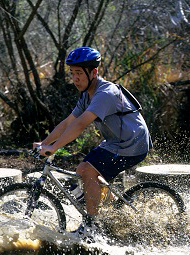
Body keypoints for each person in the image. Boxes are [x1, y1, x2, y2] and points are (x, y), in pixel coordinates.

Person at [33, 46, 152, 240]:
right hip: (116, 142)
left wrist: (54, 148)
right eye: (72, 73)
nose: (75, 79)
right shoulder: (86, 95)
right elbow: (68, 122)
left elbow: (80, 124)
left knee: (89, 171)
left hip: (132, 144)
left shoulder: (105, 93)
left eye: (79, 73)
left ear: (94, 72)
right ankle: (111, 211)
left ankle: (92, 227)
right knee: (82, 169)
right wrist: (44, 143)